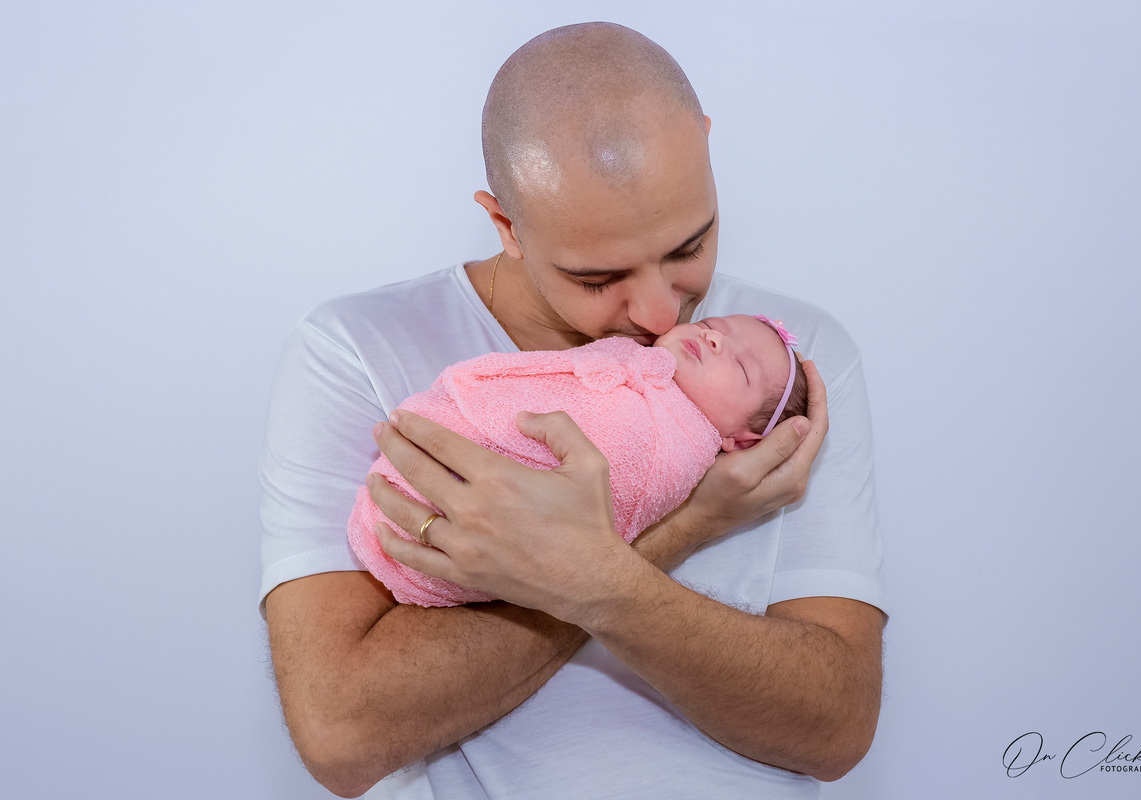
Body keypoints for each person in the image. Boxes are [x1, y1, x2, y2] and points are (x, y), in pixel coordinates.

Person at [260, 22, 888, 799]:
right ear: (505, 225)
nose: (663, 316)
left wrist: (588, 572)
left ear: (706, 146)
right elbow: (344, 738)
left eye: (691, 246)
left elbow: (835, 731)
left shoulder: (784, 363)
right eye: (599, 279)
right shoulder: (357, 349)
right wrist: (683, 528)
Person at [350, 313, 809, 608]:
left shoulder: (677, 453)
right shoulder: (629, 351)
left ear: (742, 441)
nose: (711, 340)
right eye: (715, 326)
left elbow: (617, 508)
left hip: (471, 528)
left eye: (741, 366)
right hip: (425, 462)